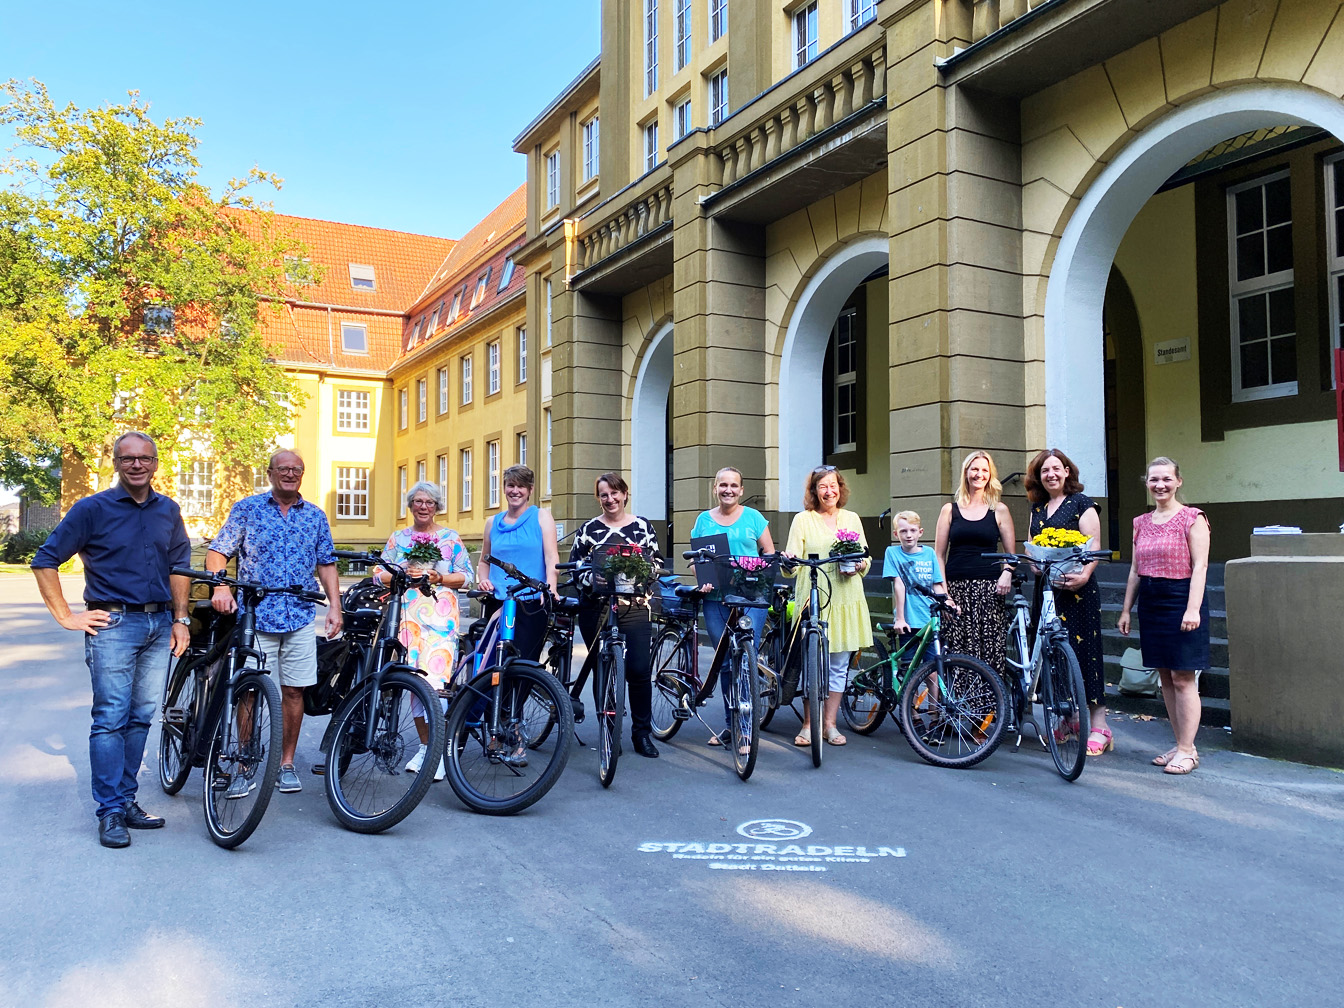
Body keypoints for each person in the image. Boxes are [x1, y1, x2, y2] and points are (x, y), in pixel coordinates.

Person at [32, 432, 191, 848]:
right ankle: (109, 812)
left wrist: (181, 619)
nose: (137, 465)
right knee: (110, 720)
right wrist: (66, 615)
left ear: (156, 463)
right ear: (116, 462)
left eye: (144, 458)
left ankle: (125, 801)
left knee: (140, 718)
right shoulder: (92, 509)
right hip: (113, 626)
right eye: (127, 458)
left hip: (159, 627)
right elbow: (45, 560)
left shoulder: (168, 510)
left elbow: (179, 567)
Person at [206, 449, 342, 795]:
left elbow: (326, 562)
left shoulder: (314, 516)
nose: (290, 474)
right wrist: (221, 586)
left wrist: (335, 607)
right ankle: (244, 762)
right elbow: (218, 551)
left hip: (298, 614)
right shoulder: (247, 509)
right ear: (269, 473)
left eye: (297, 469)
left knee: (294, 690)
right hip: (255, 615)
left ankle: (285, 763)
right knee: (249, 690)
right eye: (283, 468)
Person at [1117, 456, 1210, 776]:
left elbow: (1200, 566)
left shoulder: (1192, 518)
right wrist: (1127, 609)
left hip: (1182, 597)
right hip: (1152, 600)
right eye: (1154, 479)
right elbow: (1134, 570)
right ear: (1146, 482)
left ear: (1178, 481)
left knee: (1184, 677)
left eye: (1167, 479)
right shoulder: (1140, 522)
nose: (1160, 485)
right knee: (1166, 677)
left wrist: (1193, 608)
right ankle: (1182, 743)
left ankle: (1187, 750)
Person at [379, 481, 472, 780]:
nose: (423, 506)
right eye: (418, 501)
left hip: (440, 620)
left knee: (437, 685)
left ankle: (440, 752)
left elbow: (466, 576)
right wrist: (398, 573)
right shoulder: (398, 539)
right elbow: (378, 572)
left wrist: (440, 577)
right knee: (414, 685)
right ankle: (424, 746)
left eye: (429, 502)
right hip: (408, 620)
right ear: (411, 505)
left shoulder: (450, 538)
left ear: (437, 506)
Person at [569, 472, 663, 759]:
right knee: (604, 669)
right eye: (604, 494)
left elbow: (656, 563)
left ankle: (642, 734)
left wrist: (639, 574)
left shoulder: (642, 527)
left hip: (634, 606)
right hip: (596, 608)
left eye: (614, 493)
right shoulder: (589, 530)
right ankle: (609, 732)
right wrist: (596, 580)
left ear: (624, 494)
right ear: (598, 498)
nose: (610, 499)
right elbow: (575, 567)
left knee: (637, 670)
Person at [1025, 449, 1109, 755]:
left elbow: (1094, 545)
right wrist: (1034, 564)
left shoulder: (1082, 504)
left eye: (1056, 469)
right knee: (1053, 654)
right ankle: (1069, 718)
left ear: (1067, 472)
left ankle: (1099, 723)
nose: (1051, 475)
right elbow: (1032, 547)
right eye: (1044, 471)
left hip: (1078, 591)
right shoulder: (1037, 509)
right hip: (1047, 592)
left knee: (1085, 651)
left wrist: (1085, 575)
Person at [783, 465, 872, 748]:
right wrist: (788, 562)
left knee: (838, 667)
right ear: (814, 491)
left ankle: (830, 724)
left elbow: (866, 559)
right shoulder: (802, 520)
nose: (829, 491)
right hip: (815, 596)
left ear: (840, 488)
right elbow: (792, 565)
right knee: (814, 665)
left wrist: (858, 564)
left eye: (833, 485)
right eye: (822, 486)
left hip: (847, 597)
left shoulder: (852, 518)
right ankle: (809, 724)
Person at [690, 466, 775, 748]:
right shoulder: (704, 520)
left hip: (750, 598)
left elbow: (769, 553)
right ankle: (731, 725)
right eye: (722, 485)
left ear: (741, 490)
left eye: (733, 485)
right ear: (715, 489)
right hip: (716, 600)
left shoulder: (753, 518)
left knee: (745, 659)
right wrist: (701, 579)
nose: (728, 490)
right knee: (726, 662)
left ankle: (747, 728)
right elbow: (696, 559)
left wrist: (759, 574)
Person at [934, 450, 1016, 677]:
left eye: (984, 470)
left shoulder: (998, 510)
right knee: (957, 650)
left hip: (989, 591)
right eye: (975, 469)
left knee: (989, 649)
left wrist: (1007, 573)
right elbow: (938, 555)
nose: (979, 474)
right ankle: (960, 710)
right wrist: (944, 593)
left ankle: (991, 710)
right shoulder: (950, 510)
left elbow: (1011, 555)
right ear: (966, 472)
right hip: (956, 590)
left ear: (990, 475)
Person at [477, 464, 559, 663]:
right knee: (492, 663)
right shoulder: (492, 523)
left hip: (531, 601)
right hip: (498, 602)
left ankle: (517, 696)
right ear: (504, 488)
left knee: (523, 662)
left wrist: (551, 588)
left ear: (530, 490)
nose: (515, 491)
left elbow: (551, 558)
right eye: (510, 485)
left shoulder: (541, 517)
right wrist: (483, 580)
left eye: (521, 486)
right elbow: (483, 560)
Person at [882, 510, 955, 642]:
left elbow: (936, 584)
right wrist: (900, 618)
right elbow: (899, 584)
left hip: (930, 619)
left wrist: (947, 602)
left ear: (920, 532)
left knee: (933, 661)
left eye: (913, 530)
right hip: (909, 620)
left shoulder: (929, 553)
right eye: (903, 531)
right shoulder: (892, 552)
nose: (908, 535)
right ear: (895, 534)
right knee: (909, 661)